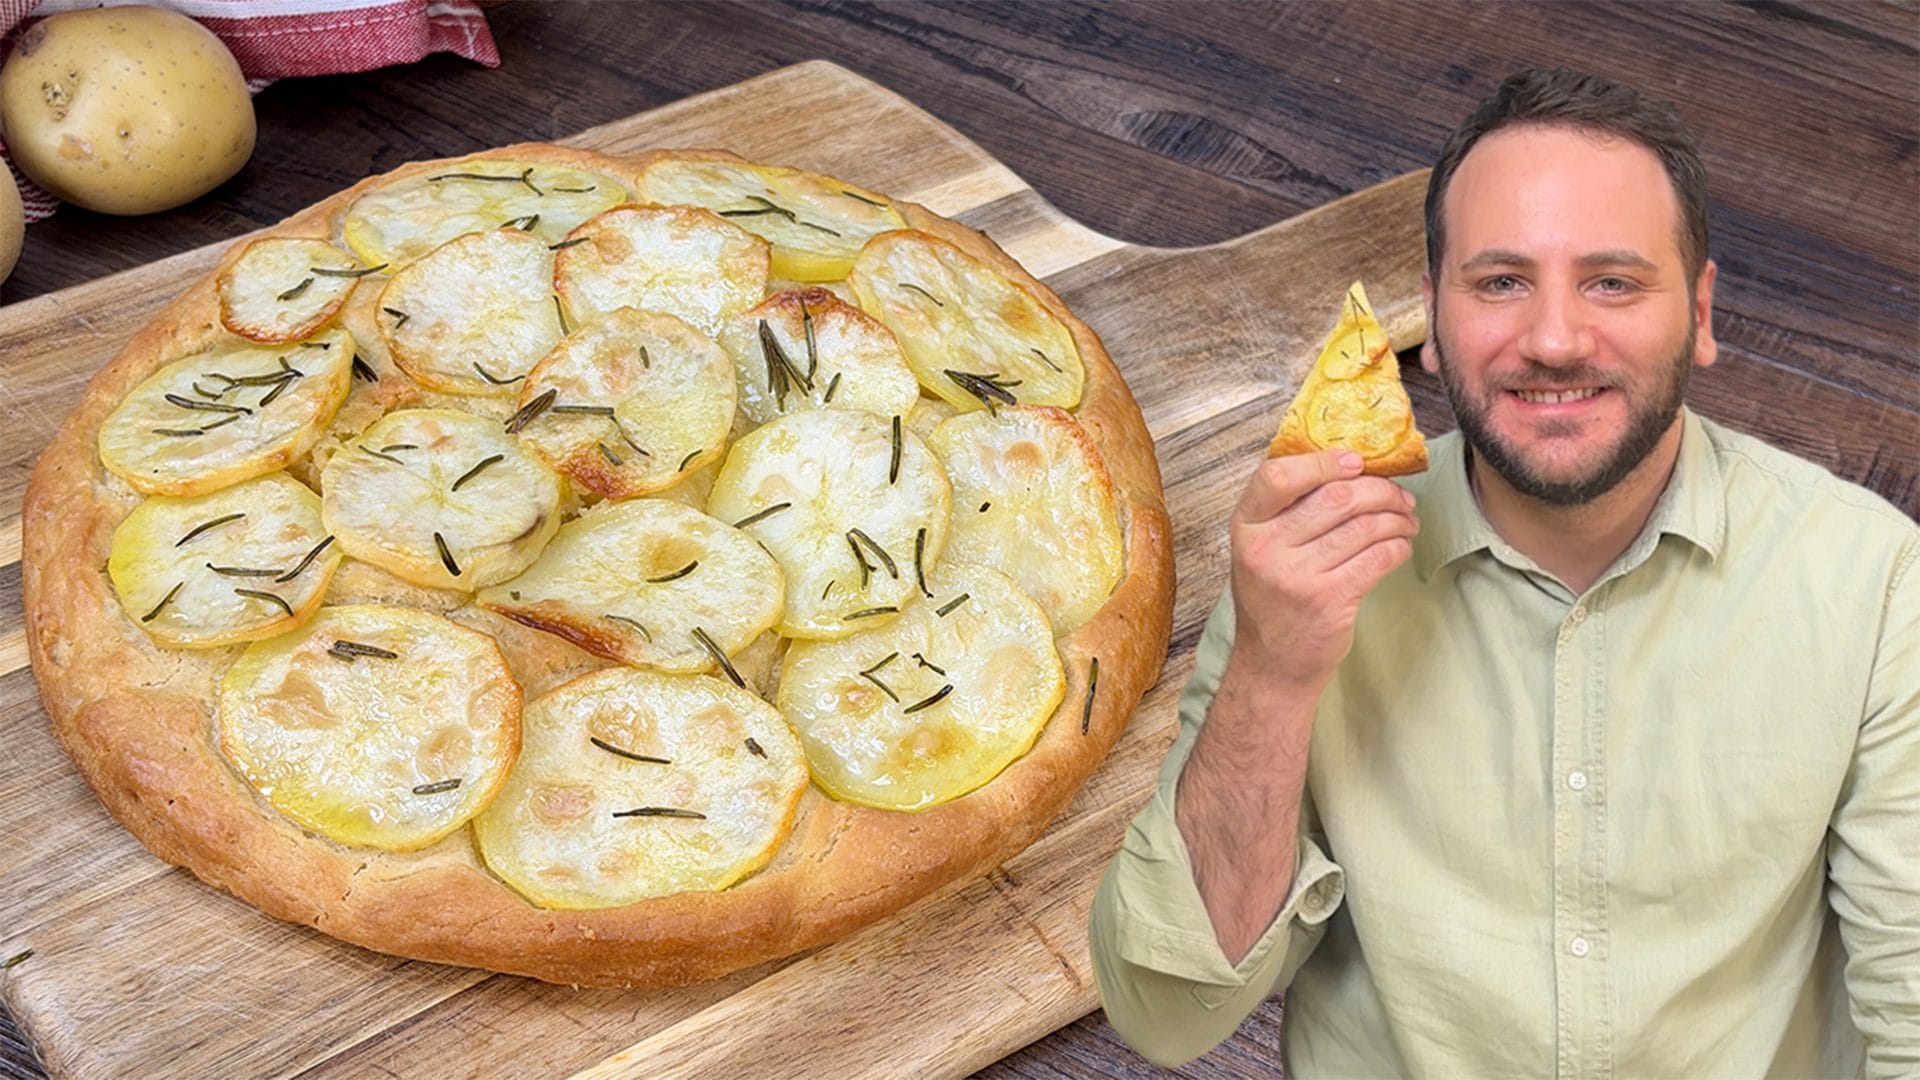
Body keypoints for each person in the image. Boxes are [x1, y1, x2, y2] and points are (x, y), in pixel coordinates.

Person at [1088, 66, 1918, 1077]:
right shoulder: (1303, 567)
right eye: (1500, 283)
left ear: (1700, 314)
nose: (1555, 340)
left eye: (1613, 282)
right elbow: (1167, 1013)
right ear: (1431, 321)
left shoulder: (1875, 584)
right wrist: (1271, 668)